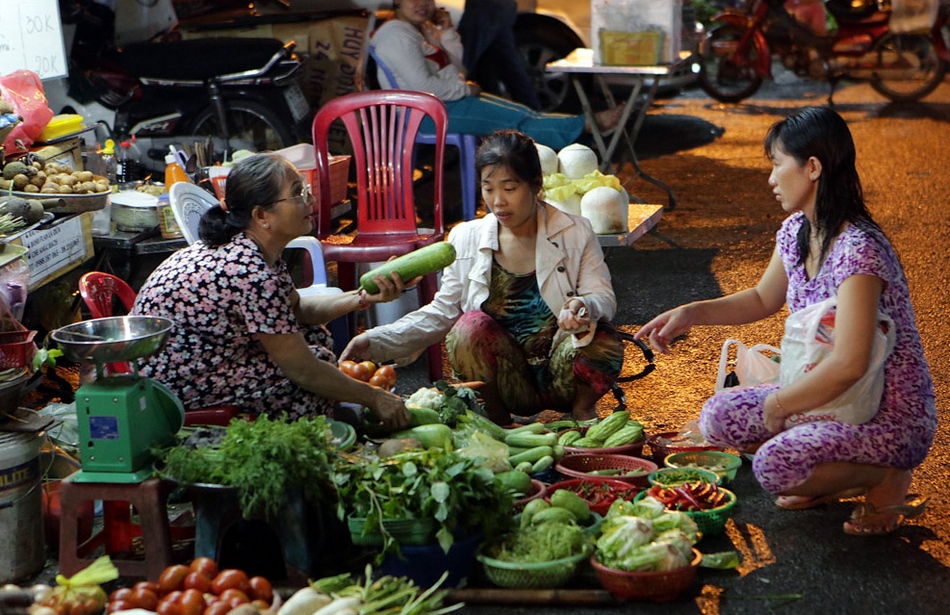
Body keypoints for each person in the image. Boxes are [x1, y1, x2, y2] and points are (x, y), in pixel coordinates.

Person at [634, 107, 936, 536]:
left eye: (777, 166)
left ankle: (884, 475)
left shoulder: (859, 250)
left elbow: (850, 364)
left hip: (882, 413)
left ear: (812, 168)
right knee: (719, 416)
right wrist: (692, 313)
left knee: (774, 466)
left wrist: (780, 405)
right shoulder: (797, 230)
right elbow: (762, 298)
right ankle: (827, 469)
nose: (772, 179)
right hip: (823, 398)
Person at [340, 130, 624, 424]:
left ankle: (583, 411)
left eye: (510, 188)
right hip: (503, 380)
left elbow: (602, 296)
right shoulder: (466, 237)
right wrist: (375, 341)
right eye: (488, 189)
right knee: (468, 327)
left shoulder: (575, 231)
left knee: (601, 336)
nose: (498, 201)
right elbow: (442, 313)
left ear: (536, 185)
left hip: (562, 371)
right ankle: (498, 421)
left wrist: (583, 306)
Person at [132, 153, 411, 429]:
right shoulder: (248, 272)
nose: (310, 200)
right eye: (297, 194)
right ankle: (303, 431)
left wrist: (360, 297)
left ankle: (322, 416)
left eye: (305, 190)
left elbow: (296, 311)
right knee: (311, 366)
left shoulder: (255, 250)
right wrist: (373, 397)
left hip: (201, 358)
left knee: (313, 337)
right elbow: (301, 370)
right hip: (171, 385)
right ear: (261, 215)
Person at [371, 0, 622, 152]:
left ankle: (583, 127)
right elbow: (425, 88)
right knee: (517, 124)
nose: (422, 4)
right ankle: (587, 127)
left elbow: (459, 68)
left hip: (445, 103)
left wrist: (446, 32)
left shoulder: (421, 30)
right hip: (425, 114)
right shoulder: (397, 35)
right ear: (397, 3)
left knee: (523, 114)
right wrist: (466, 90)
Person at [455, 0, 542, 110]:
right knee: (499, 63)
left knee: (461, 62)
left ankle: (449, 109)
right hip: (499, 5)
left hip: (485, 6)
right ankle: (531, 110)